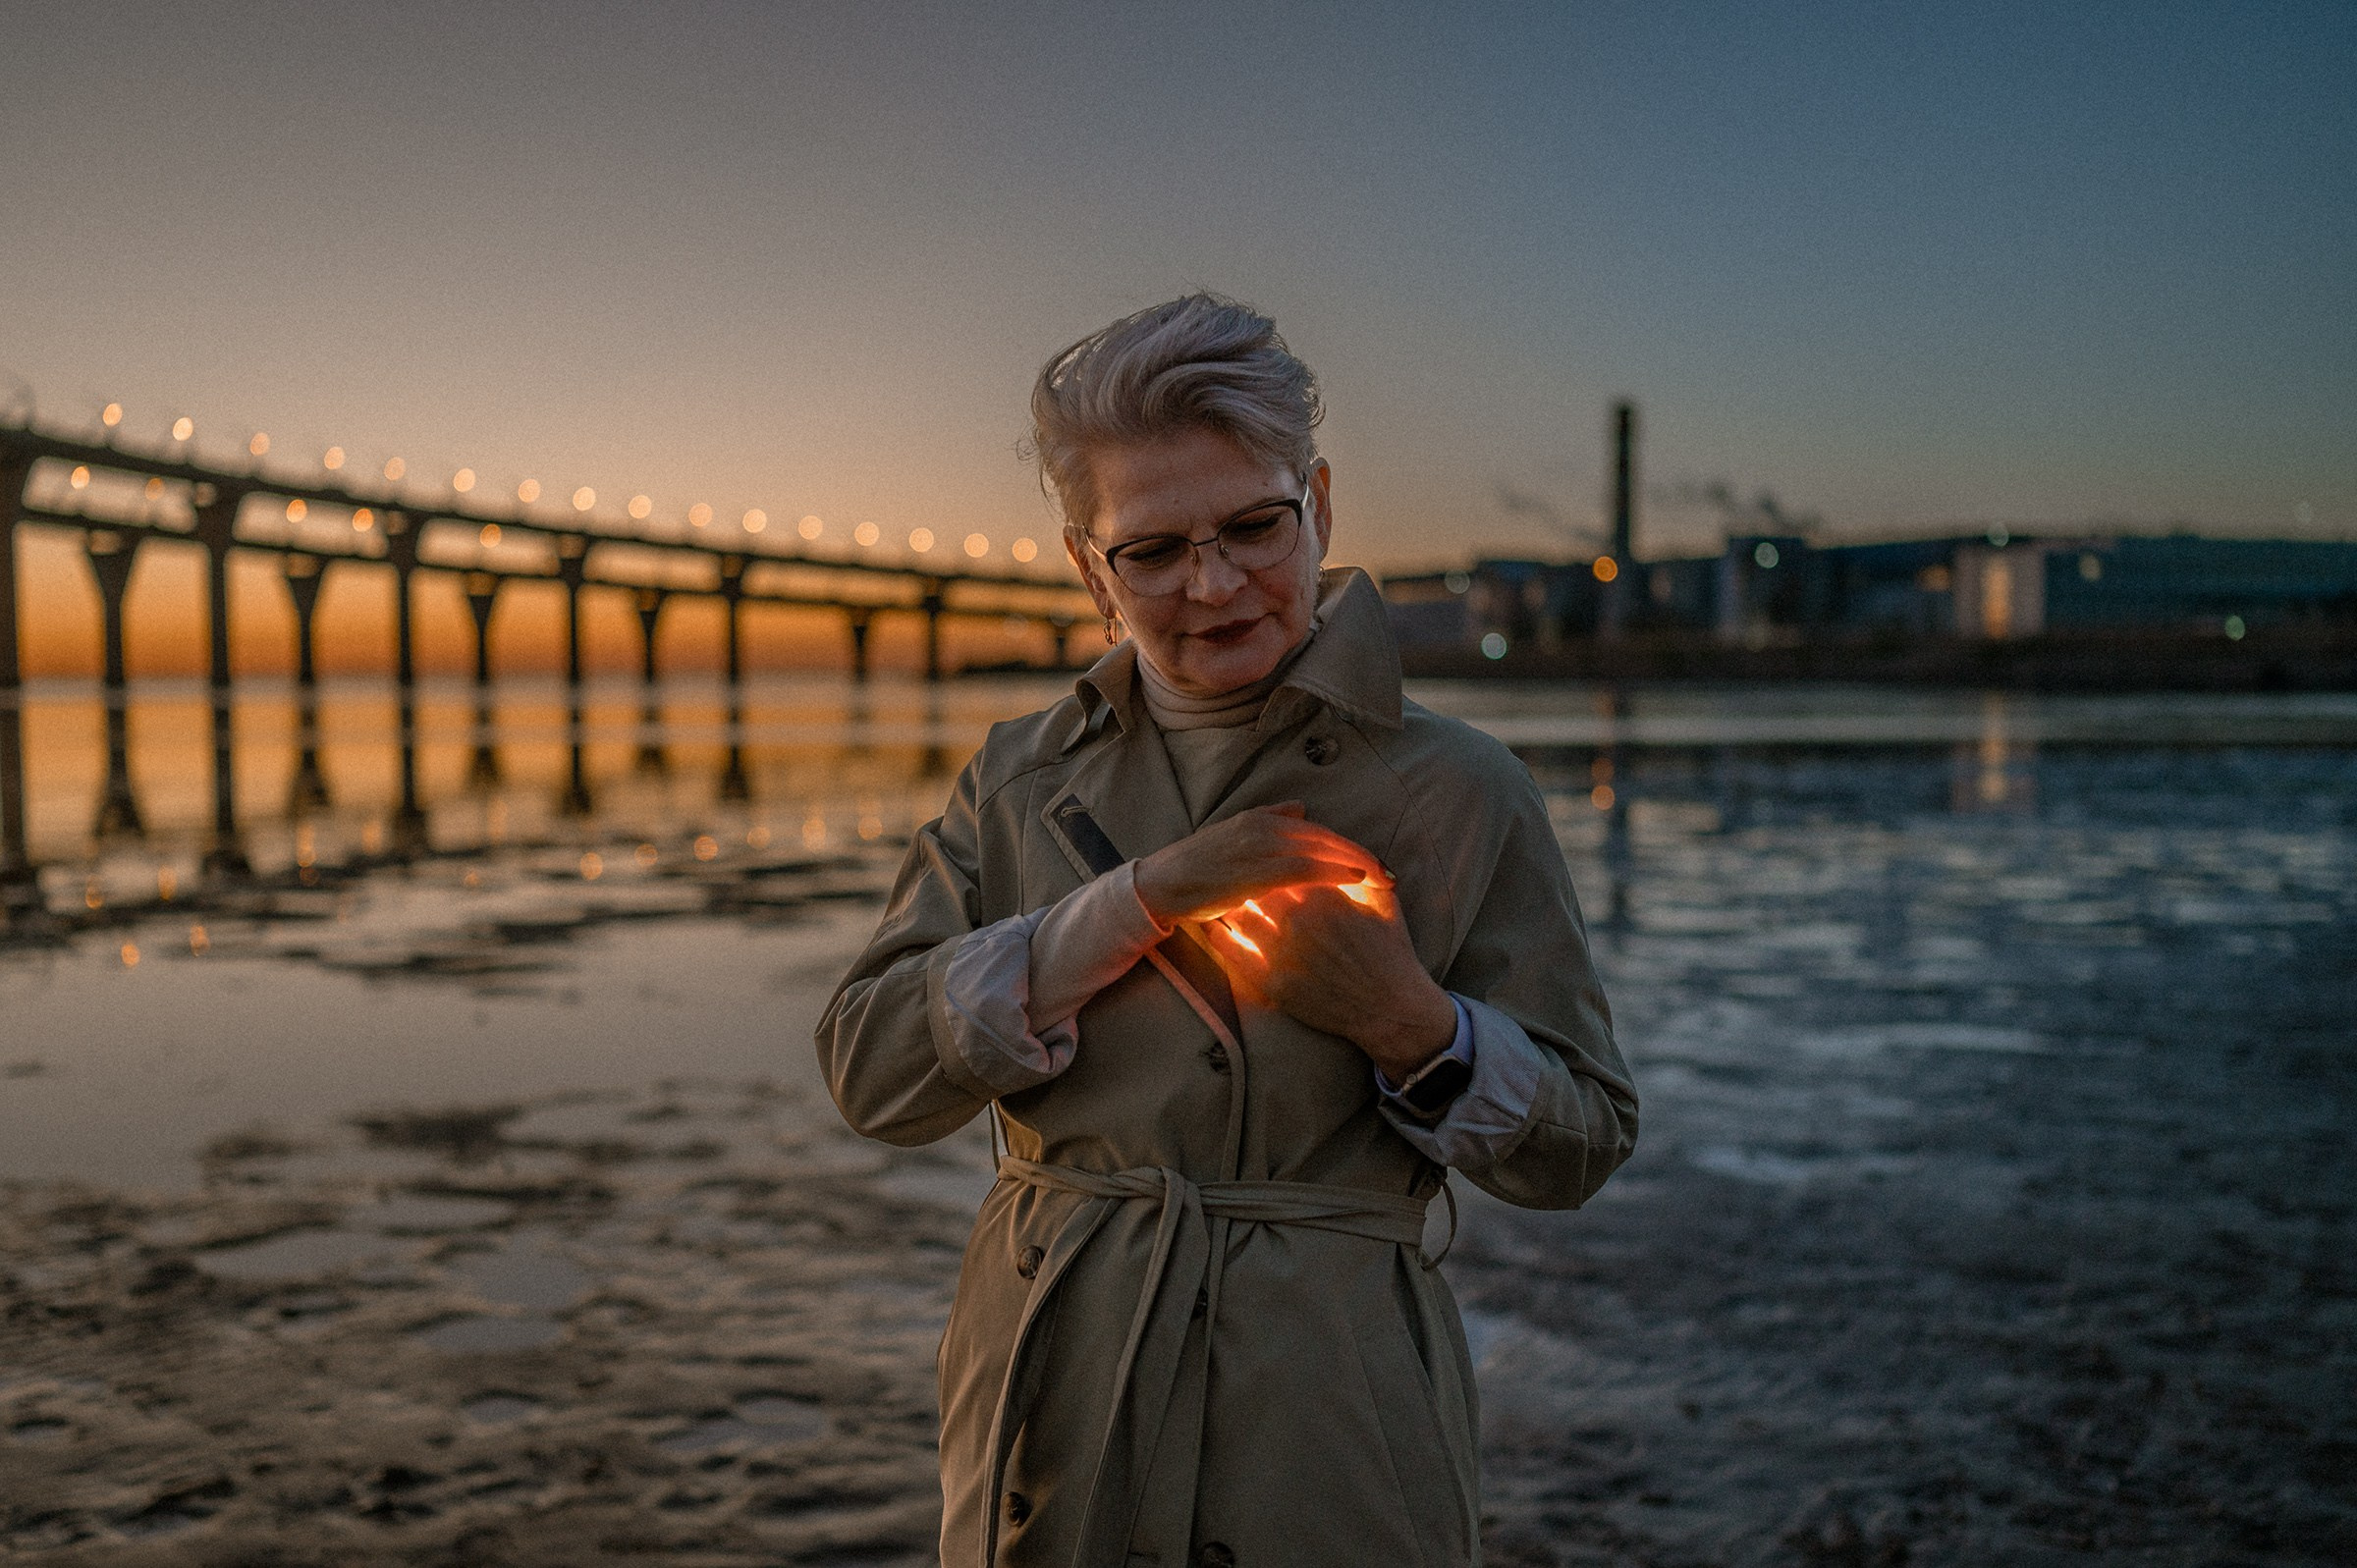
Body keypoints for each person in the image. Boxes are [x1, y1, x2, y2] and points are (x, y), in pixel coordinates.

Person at [817, 293, 1636, 1567]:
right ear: (1091, 567)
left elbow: (1580, 1147)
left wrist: (1411, 1022)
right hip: (1055, 1381)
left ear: (1319, 505)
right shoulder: (1017, 779)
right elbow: (870, 1069)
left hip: (1333, 1415)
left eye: (1253, 526)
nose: (1213, 584)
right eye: (1153, 550)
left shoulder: (1464, 788)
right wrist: (1130, 904)